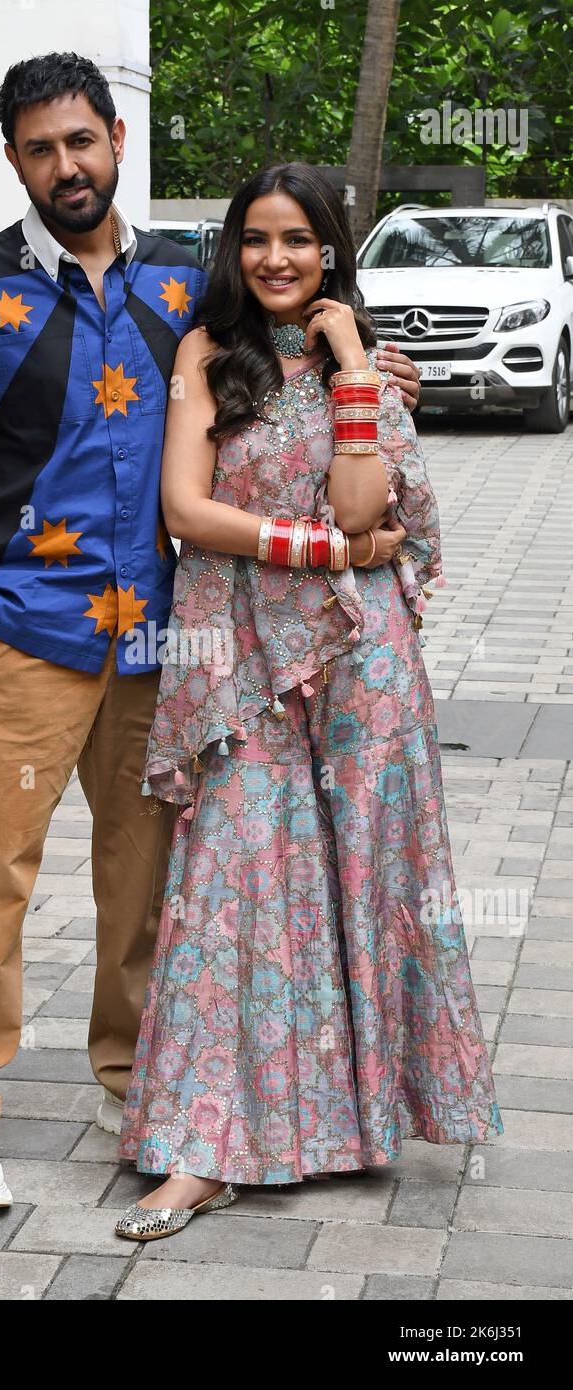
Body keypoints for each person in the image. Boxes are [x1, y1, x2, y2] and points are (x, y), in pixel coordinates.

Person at [0, 51, 420, 1214]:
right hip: (23, 636)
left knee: (146, 889)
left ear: (117, 140)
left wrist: (374, 367)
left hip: (159, 650)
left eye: (80, 140)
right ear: (15, 159)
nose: (64, 165)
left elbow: (279, 345)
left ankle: (138, 1090)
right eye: (40, 148)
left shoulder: (184, 284)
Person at [114, 163, 503, 1242]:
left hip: (359, 658)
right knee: (228, 885)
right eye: (254, 239)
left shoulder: (367, 366)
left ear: (329, 252)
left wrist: (345, 368)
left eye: (297, 240)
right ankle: (199, 1151)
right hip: (239, 661)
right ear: (232, 250)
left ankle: (356, 1121)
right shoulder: (205, 356)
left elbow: (363, 500)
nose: (274, 258)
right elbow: (186, 511)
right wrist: (323, 549)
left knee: (366, 877)